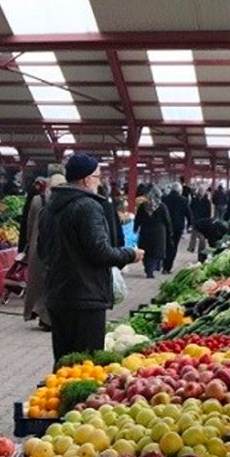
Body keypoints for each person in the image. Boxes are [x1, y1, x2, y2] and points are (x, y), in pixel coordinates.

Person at [39, 154, 142, 363]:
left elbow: (42, 251)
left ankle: (60, 394)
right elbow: (99, 252)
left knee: (64, 361)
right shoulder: (88, 207)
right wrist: (130, 254)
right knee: (87, 364)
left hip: (57, 294)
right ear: (86, 179)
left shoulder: (49, 208)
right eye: (97, 176)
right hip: (86, 297)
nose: (99, 181)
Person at [23, 174, 65, 329]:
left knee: (39, 283)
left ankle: (41, 314)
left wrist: (28, 243)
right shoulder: (66, 202)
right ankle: (48, 318)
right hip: (56, 247)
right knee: (51, 282)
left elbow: (29, 224)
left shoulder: (37, 200)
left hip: (37, 246)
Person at [134, 185, 171, 279]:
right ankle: (152, 269)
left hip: (145, 231)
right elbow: (167, 220)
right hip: (159, 233)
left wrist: (135, 229)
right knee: (156, 253)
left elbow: (137, 219)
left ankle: (148, 268)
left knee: (146, 251)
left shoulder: (143, 206)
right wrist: (169, 231)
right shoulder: (162, 206)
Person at [161, 182, 190, 274]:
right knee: (174, 246)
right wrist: (190, 224)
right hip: (178, 226)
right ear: (180, 191)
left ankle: (164, 264)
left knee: (166, 245)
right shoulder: (184, 200)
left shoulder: (164, 199)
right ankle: (168, 267)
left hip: (165, 226)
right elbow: (188, 213)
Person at [187, 185, 213, 256]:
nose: (201, 192)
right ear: (198, 191)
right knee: (194, 234)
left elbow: (209, 213)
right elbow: (190, 209)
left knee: (202, 238)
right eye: (200, 190)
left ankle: (200, 252)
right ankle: (191, 248)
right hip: (195, 221)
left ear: (204, 192)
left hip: (203, 222)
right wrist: (191, 219)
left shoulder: (207, 202)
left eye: (202, 191)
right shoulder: (194, 200)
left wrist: (208, 221)